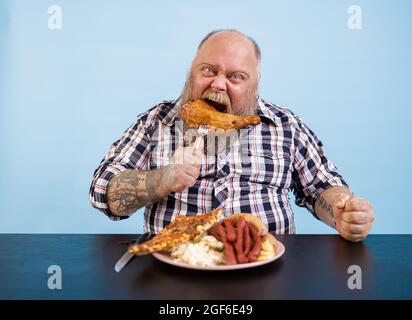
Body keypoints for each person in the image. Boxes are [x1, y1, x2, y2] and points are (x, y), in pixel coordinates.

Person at [89, 29, 374, 242]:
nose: (219, 84)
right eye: (208, 70)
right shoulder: (156, 122)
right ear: (191, 72)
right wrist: (162, 179)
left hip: (266, 269)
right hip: (174, 269)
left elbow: (321, 187)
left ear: (255, 83)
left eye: (236, 76)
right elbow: (103, 192)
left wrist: (343, 213)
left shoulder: (286, 126)